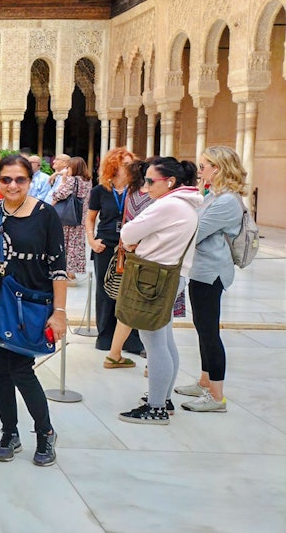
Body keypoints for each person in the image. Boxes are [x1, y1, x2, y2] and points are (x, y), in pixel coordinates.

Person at [0, 154, 66, 467]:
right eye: (6, 179)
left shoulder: (45, 214)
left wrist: (59, 311)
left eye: (20, 179)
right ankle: (9, 432)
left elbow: (58, 267)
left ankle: (45, 432)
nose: (13, 185)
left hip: (27, 303)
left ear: (30, 181)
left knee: (20, 368)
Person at [117, 157, 202, 424]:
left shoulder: (169, 205)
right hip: (171, 276)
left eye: (151, 181)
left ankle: (156, 408)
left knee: (154, 343)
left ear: (170, 182)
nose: (146, 187)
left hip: (155, 278)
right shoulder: (186, 203)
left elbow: (128, 232)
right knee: (164, 340)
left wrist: (133, 241)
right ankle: (163, 399)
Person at [176, 146, 246, 412]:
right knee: (202, 327)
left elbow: (196, 231)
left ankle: (217, 397)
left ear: (217, 168)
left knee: (209, 332)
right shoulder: (215, 195)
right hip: (201, 270)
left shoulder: (227, 201)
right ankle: (205, 381)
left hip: (211, 272)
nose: (200, 170)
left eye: (203, 166)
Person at [87, 147, 145, 357]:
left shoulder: (138, 190)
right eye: (125, 164)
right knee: (105, 290)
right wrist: (92, 241)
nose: (130, 167)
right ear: (114, 166)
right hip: (106, 244)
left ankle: (131, 339)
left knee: (129, 290)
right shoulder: (100, 191)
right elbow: (90, 218)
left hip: (131, 245)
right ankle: (105, 336)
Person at [103, 158, 153, 369]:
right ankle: (154, 363)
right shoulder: (153, 198)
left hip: (131, 254)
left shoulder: (132, 193)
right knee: (152, 309)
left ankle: (114, 354)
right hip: (149, 258)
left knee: (129, 305)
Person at [51, 157, 92, 283]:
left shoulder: (71, 180)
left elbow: (58, 194)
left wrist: (62, 182)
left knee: (65, 243)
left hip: (68, 216)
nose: (67, 169)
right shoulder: (88, 181)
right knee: (76, 244)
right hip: (80, 217)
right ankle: (72, 272)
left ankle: (67, 272)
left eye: (69, 167)